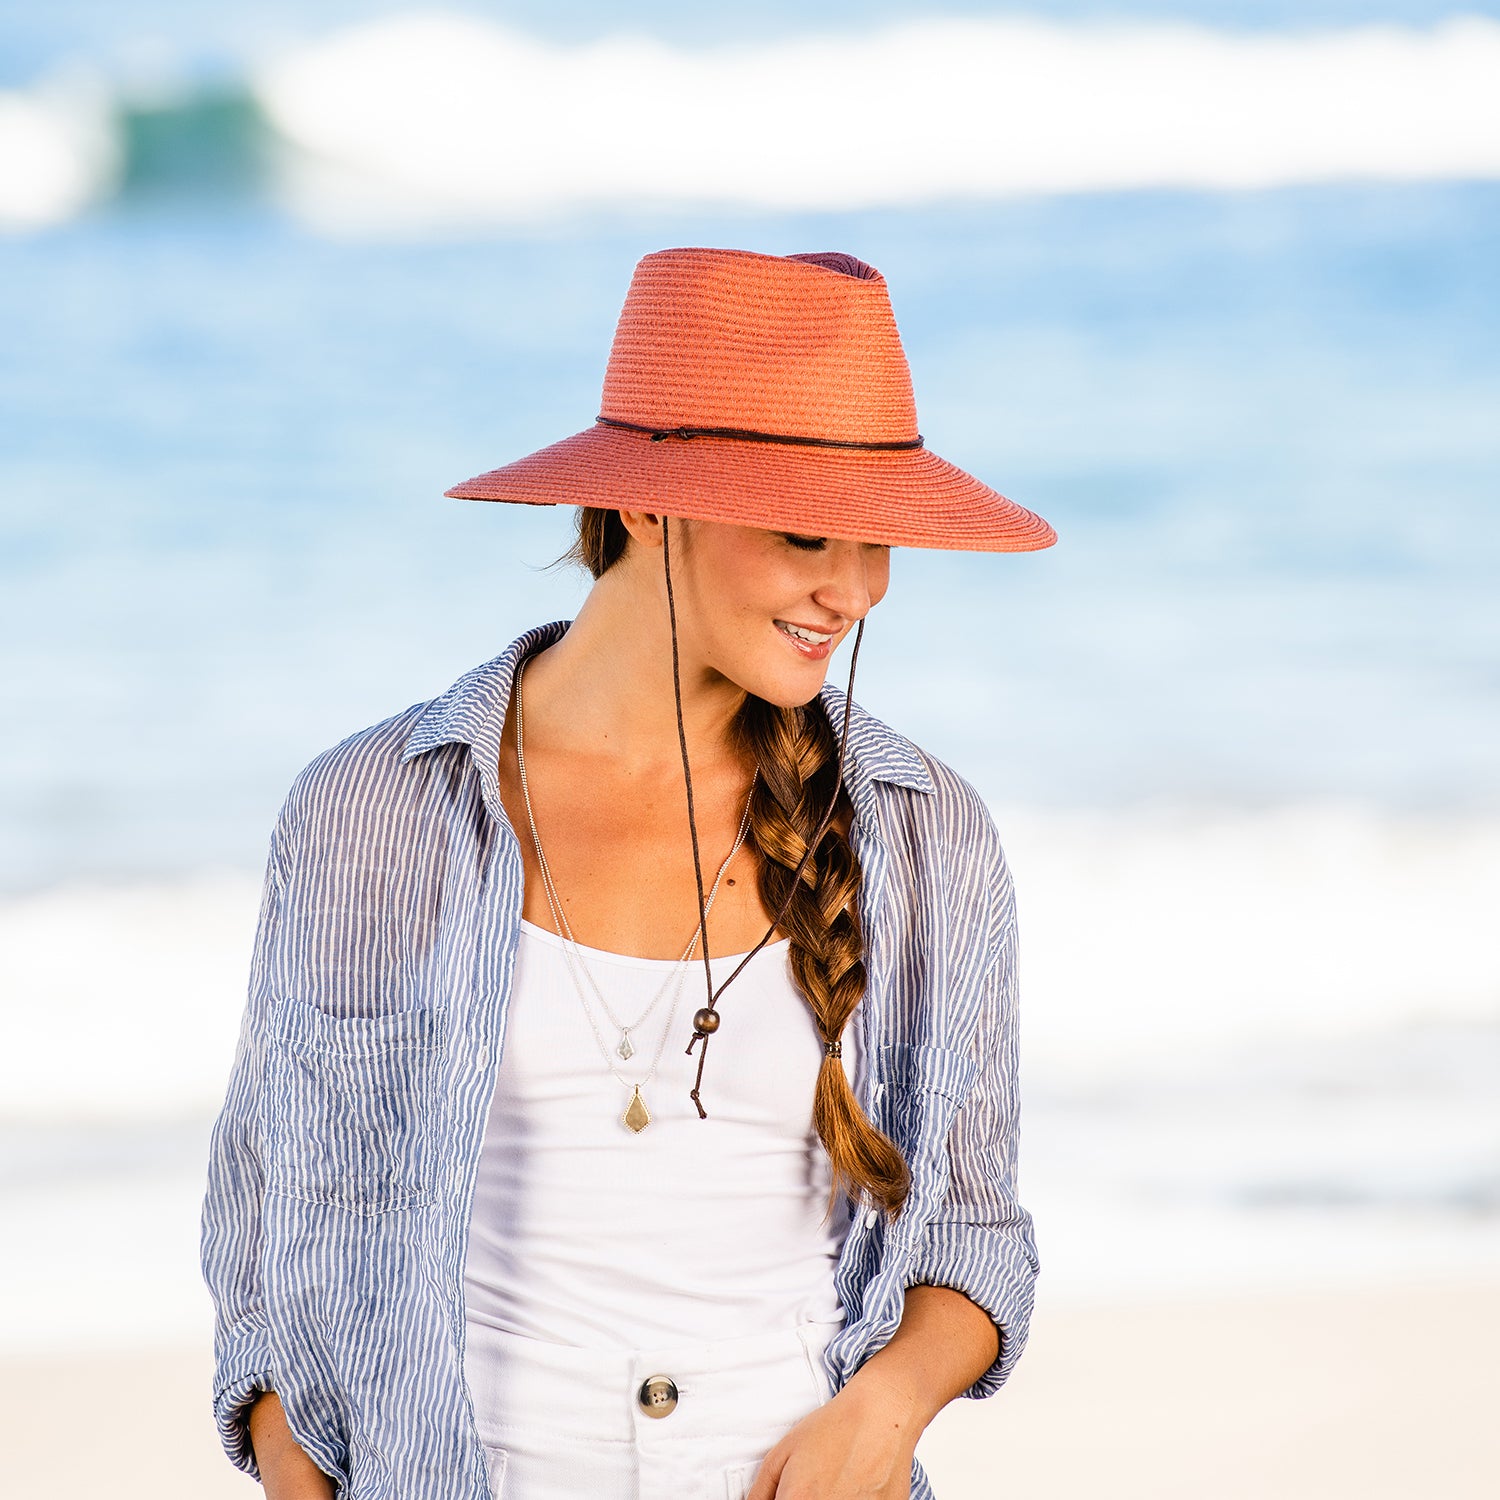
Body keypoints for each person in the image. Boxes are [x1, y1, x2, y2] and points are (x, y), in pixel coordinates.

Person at [201, 246, 1055, 1500]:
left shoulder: (925, 834)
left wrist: (885, 1407)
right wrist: (296, 1477)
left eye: (882, 542)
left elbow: (974, 1238)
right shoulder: (371, 812)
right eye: (812, 532)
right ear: (648, 507)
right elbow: (268, 1246)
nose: (858, 590)